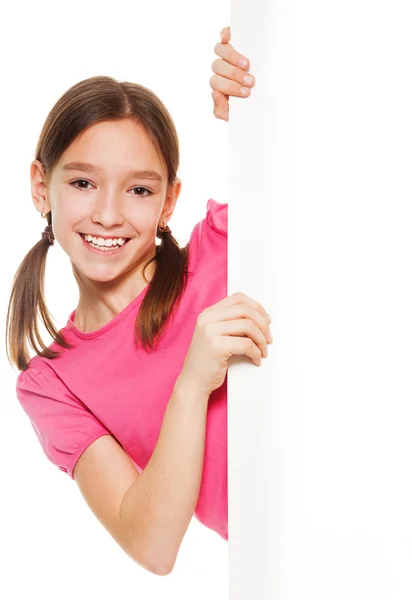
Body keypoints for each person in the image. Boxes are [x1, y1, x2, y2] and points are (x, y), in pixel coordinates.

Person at [5, 26, 271, 576]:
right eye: (82, 183)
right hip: (290, 562)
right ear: (40, 186)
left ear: (170, 200)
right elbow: (152, 545)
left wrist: (259, 101)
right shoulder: (53, 382)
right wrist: (193, 380)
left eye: (140, 189)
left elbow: (332, 171)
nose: (107, 214)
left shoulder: (225, 246)